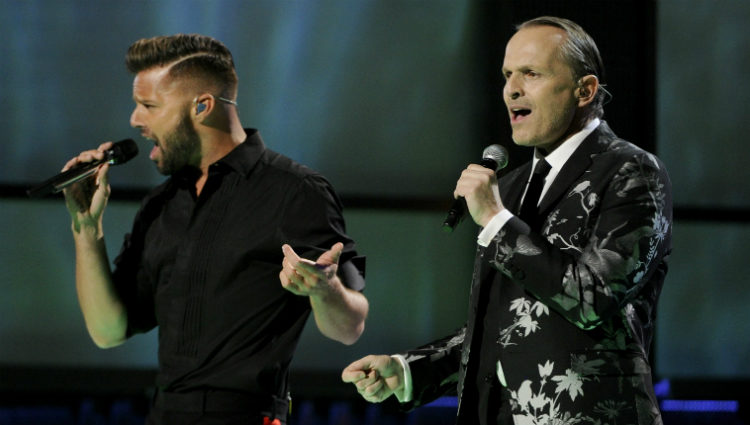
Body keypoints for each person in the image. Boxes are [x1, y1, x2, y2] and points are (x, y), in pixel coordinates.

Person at [342, 16, 671, 425]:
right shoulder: (511, 187)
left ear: (584, 90)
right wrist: (409, 369)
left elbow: (594, 298)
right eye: (507, 75)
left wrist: (496, 220)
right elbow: (504, 326)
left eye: (531, 73)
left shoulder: (631, 171)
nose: (511, 89)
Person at [62, 34, 368, 425]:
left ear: (203, 105)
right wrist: (86, 229)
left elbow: (351, 325)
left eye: (148, 106)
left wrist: (326, 290)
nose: (135, 120)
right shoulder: (161, 205)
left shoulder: (296, 191)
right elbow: (108, 331)